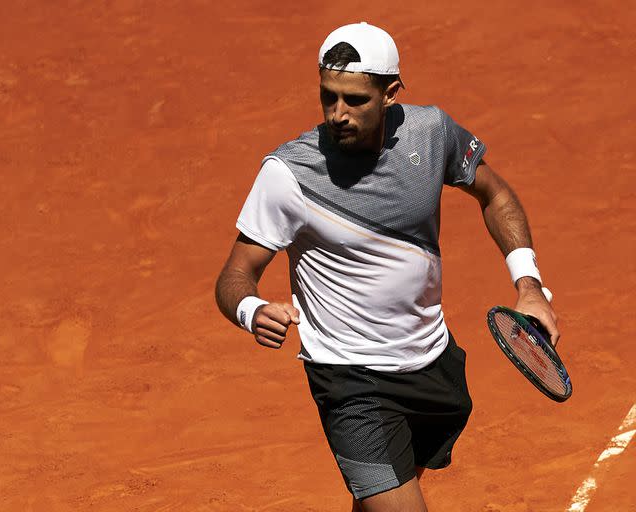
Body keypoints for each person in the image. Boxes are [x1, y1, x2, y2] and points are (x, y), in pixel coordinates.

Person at [215, 21, 559, 512]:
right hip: (350, 382)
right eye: (327, 97)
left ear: (391, 93)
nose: (337, 114)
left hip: (431, 363)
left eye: (355, 100)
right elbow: (234, 275)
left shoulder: (431, 133)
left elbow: (495, 193)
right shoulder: (287, 175)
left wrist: (529, 286)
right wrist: (249, 309)